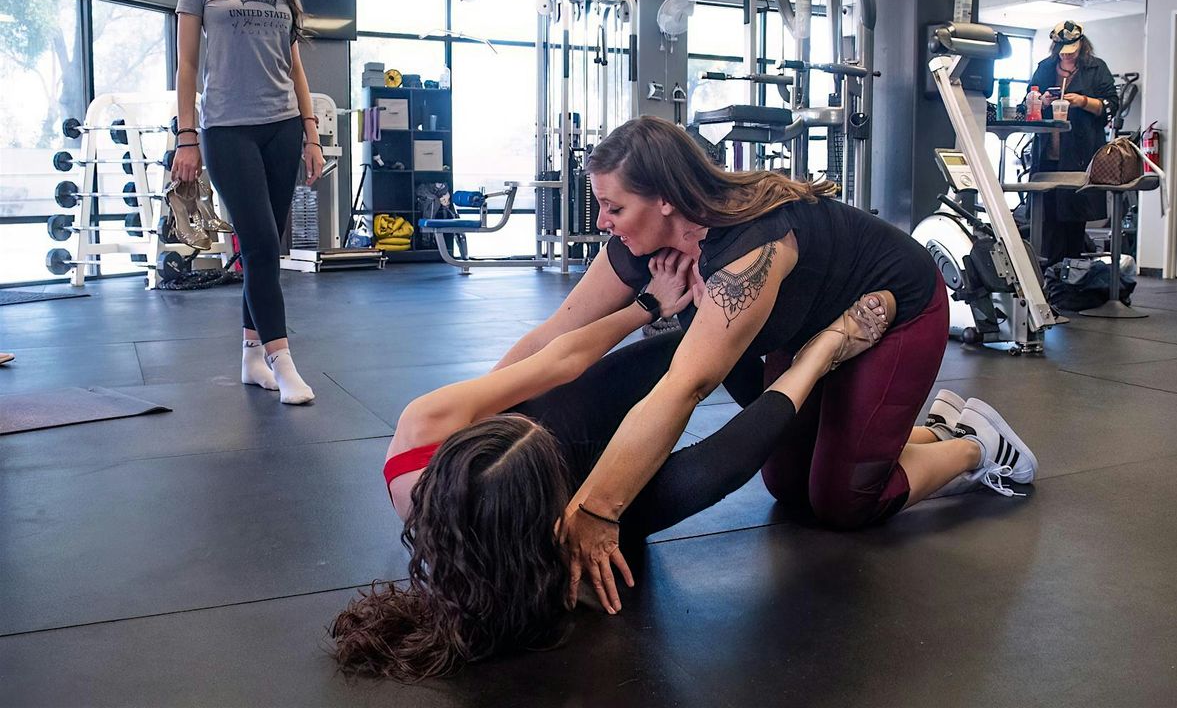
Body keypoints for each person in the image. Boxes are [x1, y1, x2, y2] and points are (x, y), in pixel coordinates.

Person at [496, 116, 1039, 612]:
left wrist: (596, 510)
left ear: (664, 199)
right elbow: (555, 334)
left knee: (844, 501)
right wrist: (473, 423)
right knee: (784, 481)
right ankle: (918, 432)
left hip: (893, 308)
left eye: (614, 207)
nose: (603, 221)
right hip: (808, 327)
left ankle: (974, 443)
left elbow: (685, 385)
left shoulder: (749, 251)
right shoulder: (640, 245)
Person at [330, 249, 895, 681]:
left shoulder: (423, 426)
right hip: (553, 515)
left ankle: (710, 338)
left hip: (521, 472)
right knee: (704, 477)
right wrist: (590, 518)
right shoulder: (533, 557)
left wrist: (648, 305)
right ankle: (822, 355)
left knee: (680, 365)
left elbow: (558, 356)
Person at [172, 0, 321, 405]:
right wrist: (186, 137)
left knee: (265, 249)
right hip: (227, 129)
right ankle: (283, 362)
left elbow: (294, 68)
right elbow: (187, 64)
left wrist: (311, 134)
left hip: (281, 128)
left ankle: (251, 356)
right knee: (258, 244)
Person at [1027, 20, 1119, 265]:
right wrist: (1042, 101)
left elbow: (1111, 105)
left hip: (1080, 153)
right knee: (1048, 217)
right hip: (1048, 155)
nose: (1067, 57)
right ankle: (1050, 276)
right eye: (1063, 52)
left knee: (1074, 216)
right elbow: (1029, 100)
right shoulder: (1045, 68)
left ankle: (1073, 275)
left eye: (1072, 51)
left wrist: (1083, 101)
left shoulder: (1096, 69)